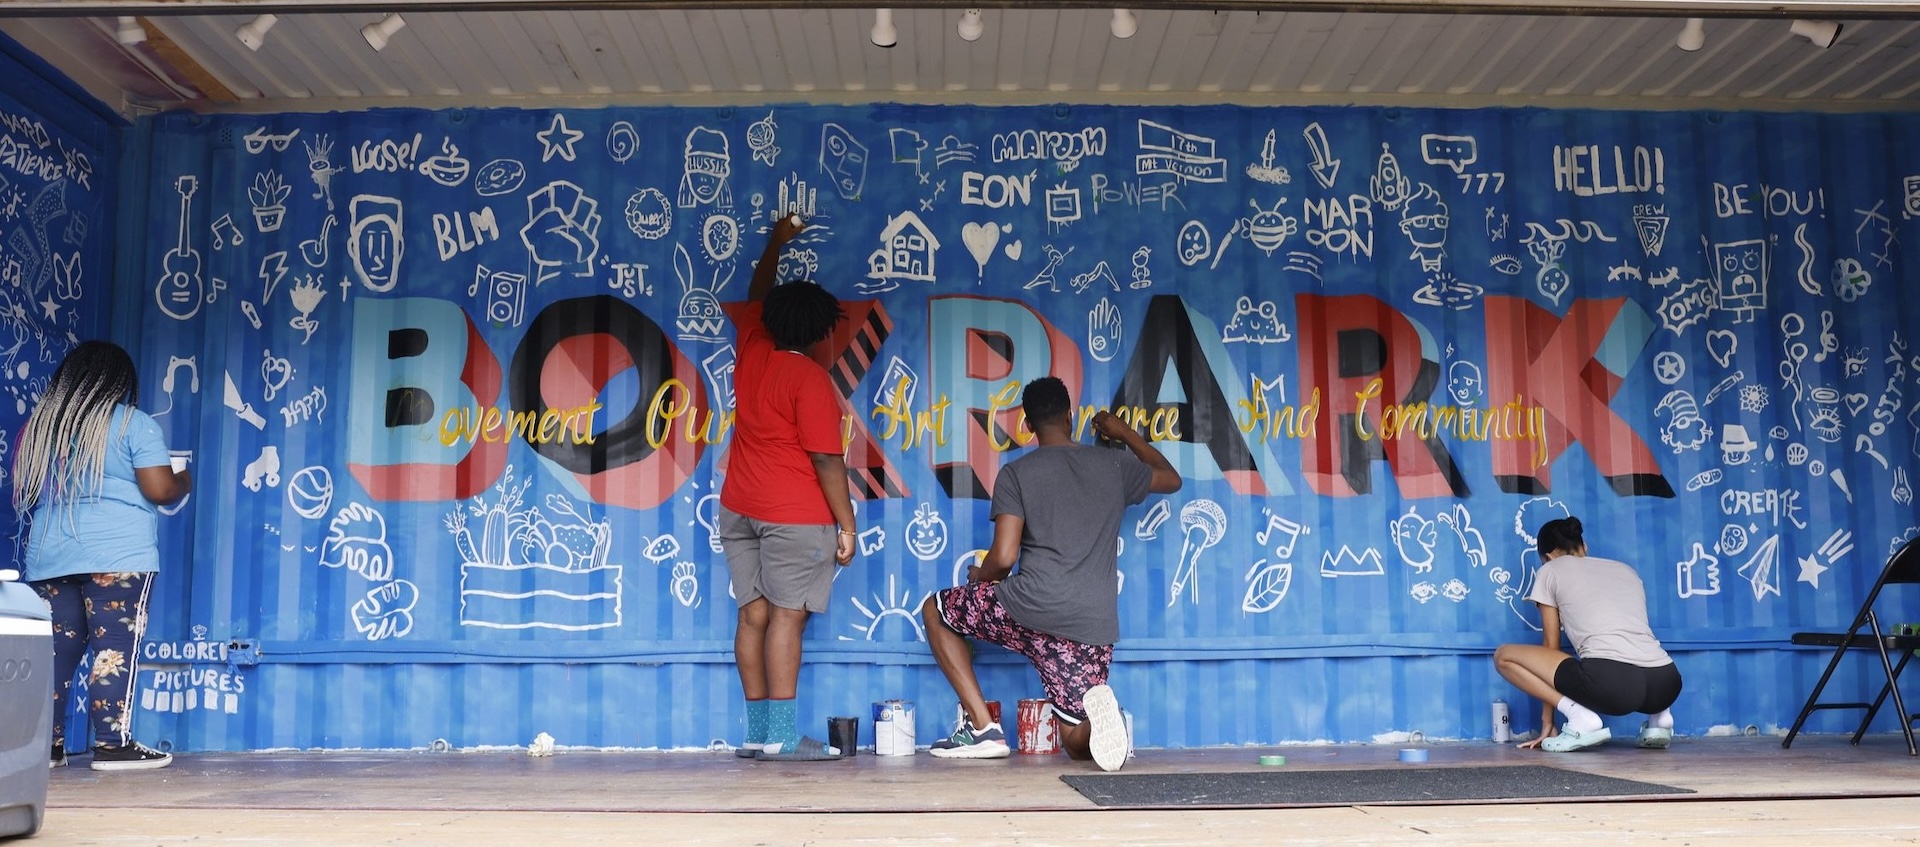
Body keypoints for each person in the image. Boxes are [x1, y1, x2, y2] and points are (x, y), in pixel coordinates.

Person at [920, 378, 1182, 771]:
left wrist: (980, 578)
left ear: (1027, 424)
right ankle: (1099, 723)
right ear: (1069, 416)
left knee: (936, 611)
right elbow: (1170, 477)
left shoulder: (1017, 473)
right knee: (1076, 741)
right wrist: (1124, 432)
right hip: (1091, 622)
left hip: (1029, 607)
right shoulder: (1114, 465)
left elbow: (1004, 557)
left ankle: (983, 729)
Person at [717, 216, 857, 762]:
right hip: (793, 513)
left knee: (752, 615)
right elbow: (826, 457)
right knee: (787, 617)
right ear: (821, 331)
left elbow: (756, 295)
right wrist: (847, 524)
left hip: (739, 507)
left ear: (770, 321)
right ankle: (780, 736)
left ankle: (757, 735)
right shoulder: (810, 379)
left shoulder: (751, 348)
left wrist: (776, 241)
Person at [14, 341, 190, 771]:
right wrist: (184, 478)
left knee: (54, 655)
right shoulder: (133, 423)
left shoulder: (40, 428)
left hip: (51, 555)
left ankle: (44, 749)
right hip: (118, 555)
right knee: (112, 650)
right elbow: (160, 490)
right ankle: (113, 746)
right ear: (118, 382)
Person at [1494, 516, 1682, 752]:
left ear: (1548, 556)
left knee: (1504, 656)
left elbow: (1551, 647)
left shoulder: (1550, 570)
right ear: (1585, 547)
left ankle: (1582, 719)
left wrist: (1548, 721)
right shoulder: (1626, 570)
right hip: (1666, 683)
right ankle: (1660, 720)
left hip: (1614, 687)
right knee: (1635, 644)